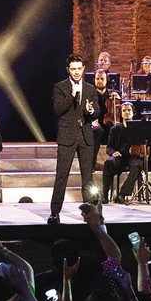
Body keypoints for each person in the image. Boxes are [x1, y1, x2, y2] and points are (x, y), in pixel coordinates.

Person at [48, 53, 100, 224]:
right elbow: (58, 109)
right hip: (67, 136)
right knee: (61, 175)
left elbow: (97, 111)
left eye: (79, 68)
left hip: (85, 136)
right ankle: (55, 213)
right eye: (73, 69)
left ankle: (91, 212)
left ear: (83, 69)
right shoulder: (60, 87)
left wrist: (91, 111)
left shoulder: (90, 89)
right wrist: (72, 95)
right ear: (68, 70)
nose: (76, 72)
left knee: (88, 178)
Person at [101, 102, 143, 203]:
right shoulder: (115, 129)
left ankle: (122, 194)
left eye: (129, 110)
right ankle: (104, 195)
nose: (127, 112)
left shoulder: (139, 128)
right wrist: (113, 152)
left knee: (137, 165)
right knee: (108, 163)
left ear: (133, 112)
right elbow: (109, 147)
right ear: (121, 113)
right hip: (120, 157)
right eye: (124, 110)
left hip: (133, 157)